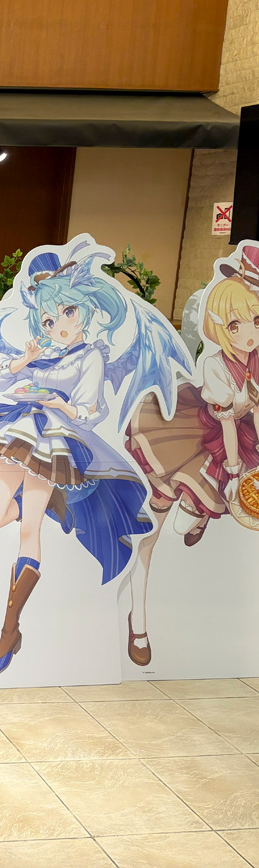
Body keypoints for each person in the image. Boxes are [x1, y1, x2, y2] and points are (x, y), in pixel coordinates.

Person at [0, 240, 189, 677]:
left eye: (67, 312)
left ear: (84, 310)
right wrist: (24, 362)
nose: (59, 325)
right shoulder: (44, 351)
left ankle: (9, 630)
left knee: (28, 529)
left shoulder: (91, 357)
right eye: (49, 319)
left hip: (56, 443)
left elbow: (91, 411)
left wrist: (61, 403)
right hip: (17, 430)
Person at [124, 266, 259, 665]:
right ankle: (138, 621)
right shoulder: (216, 365)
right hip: (192, 435)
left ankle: (200, 514)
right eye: (236, 325)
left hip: (240, 439)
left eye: (255, 321)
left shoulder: (256, 360)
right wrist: (232, 471)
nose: (249, 334)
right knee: (153, 529)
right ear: (219, 326)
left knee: (189, 522)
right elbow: (227, 422)